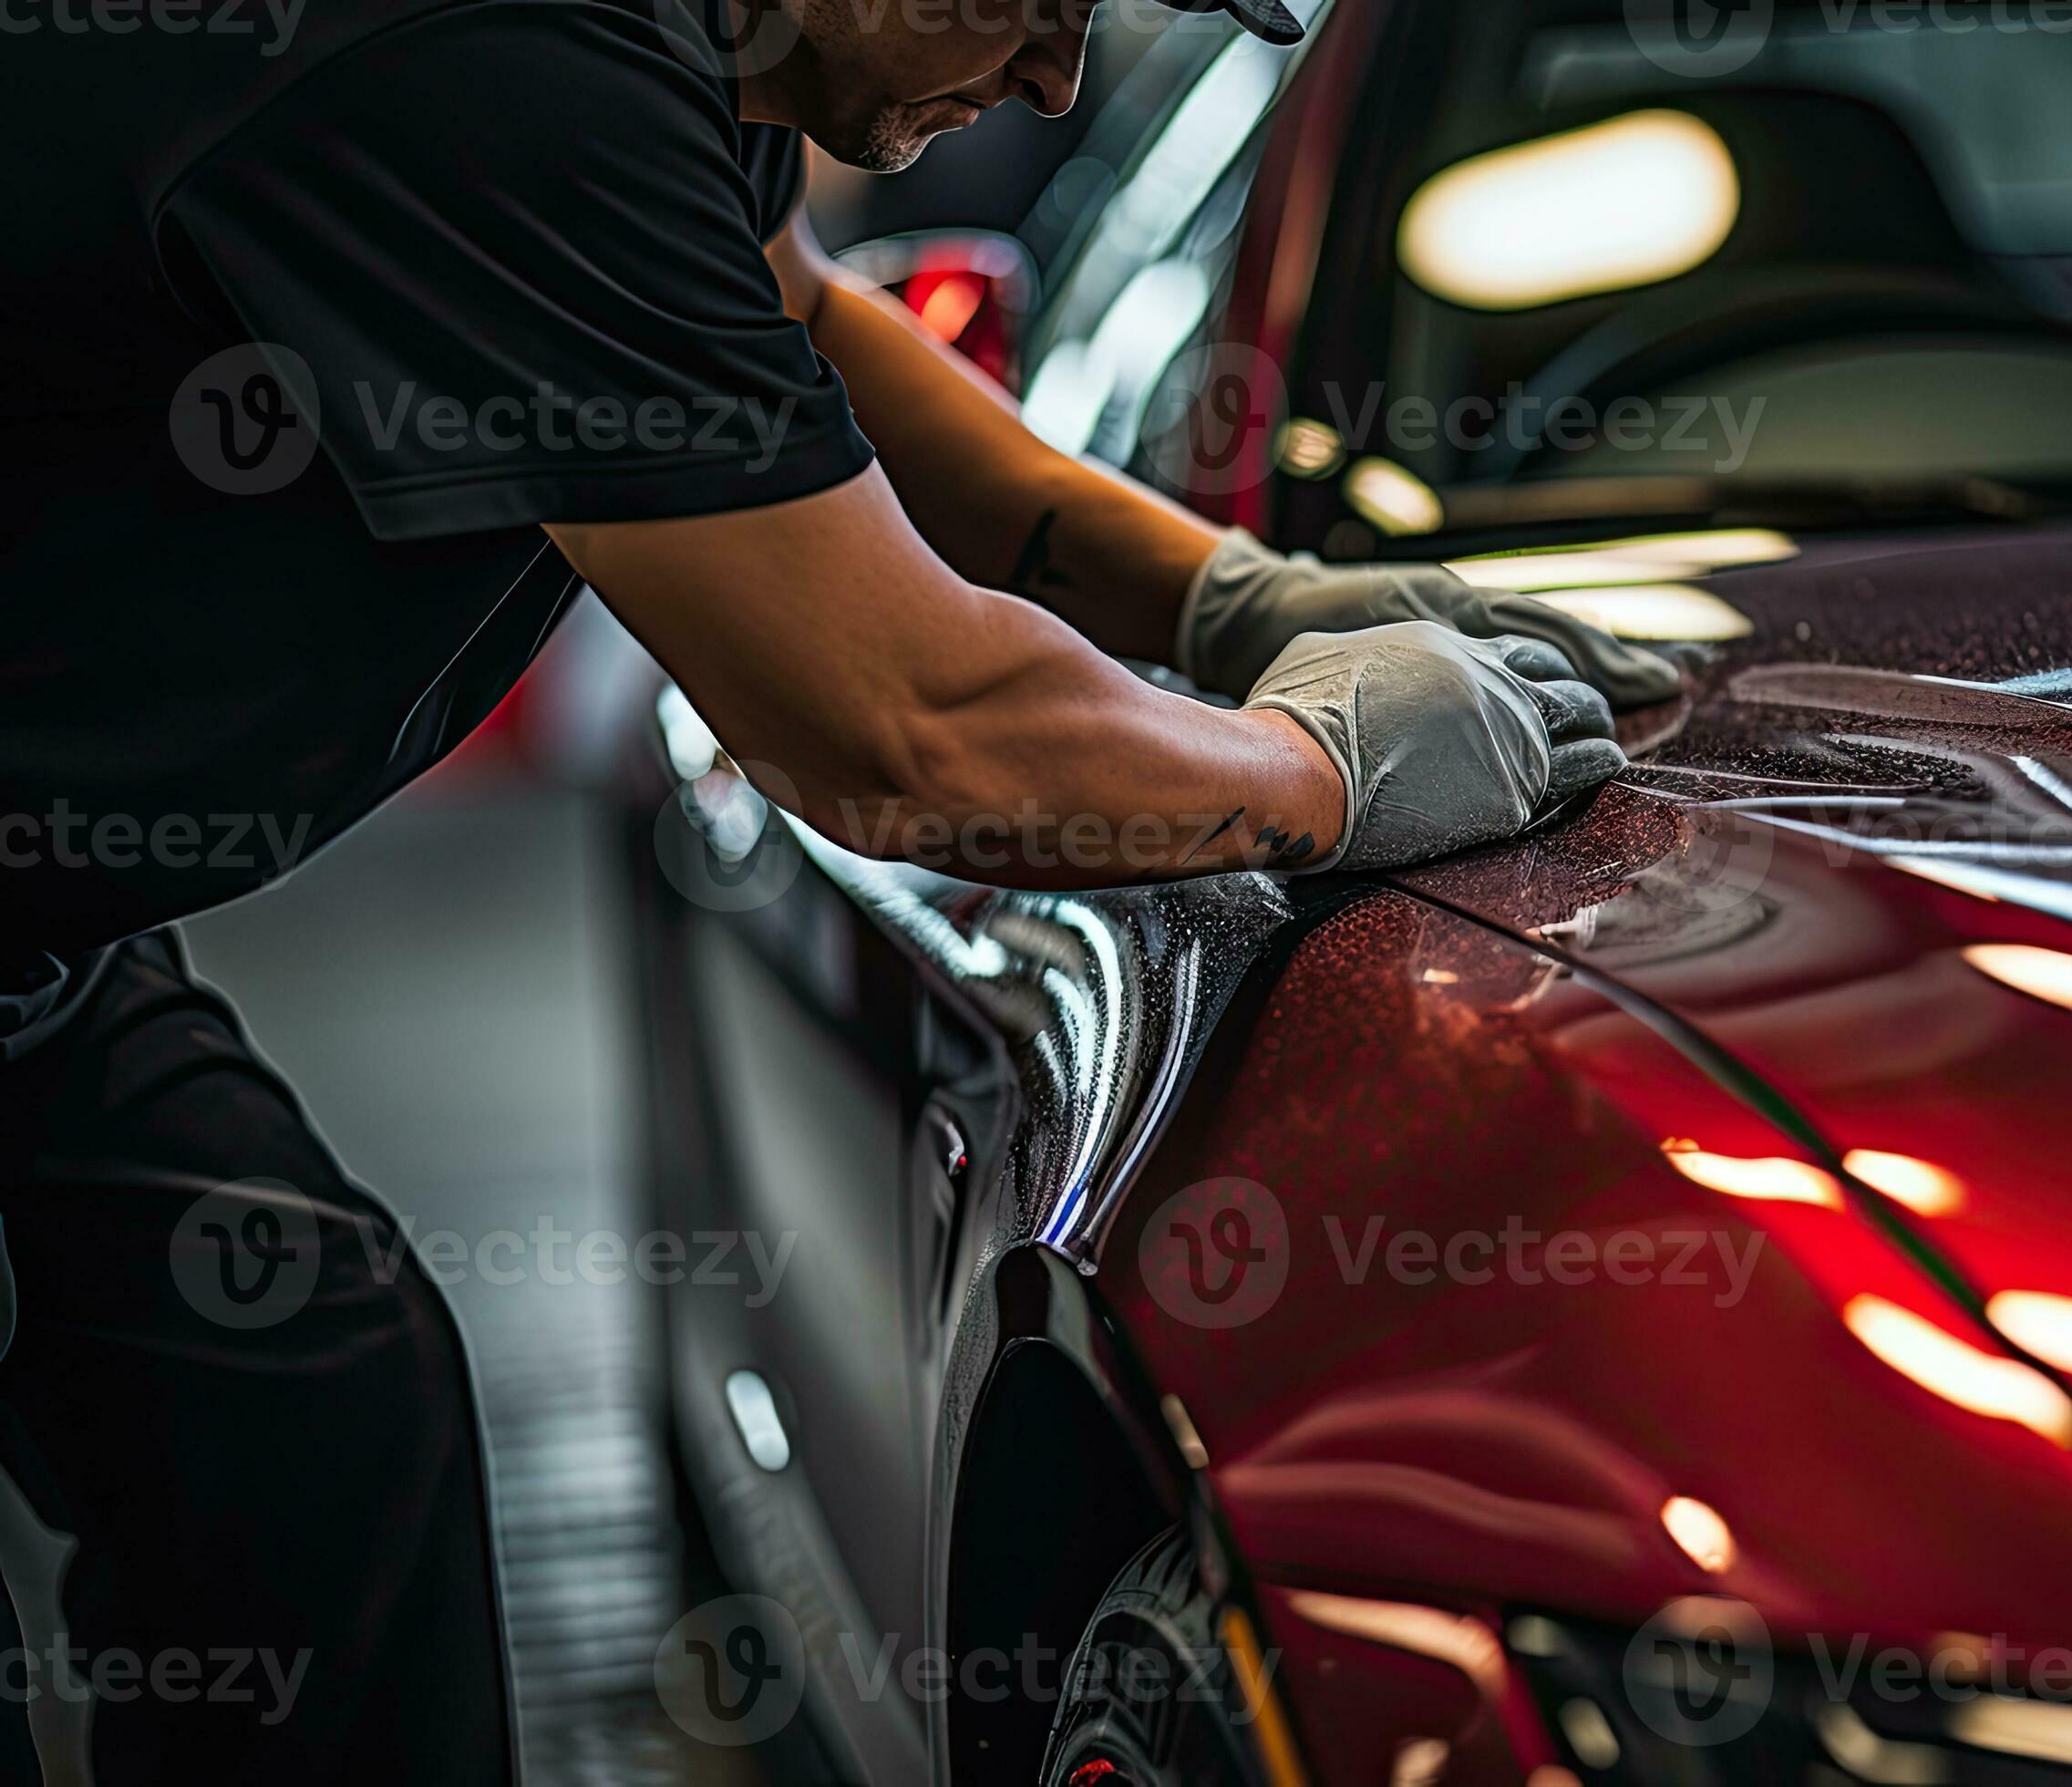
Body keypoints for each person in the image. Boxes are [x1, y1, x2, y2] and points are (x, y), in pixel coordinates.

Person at [0, 0, 1680, 1773]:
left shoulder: (678, 69)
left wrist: (1221, 597)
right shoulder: (491, 54)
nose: (1053, 79)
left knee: (305, 1419)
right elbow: (900, 730)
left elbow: (794, 319)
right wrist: (1317, 772)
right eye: (1049, 4)